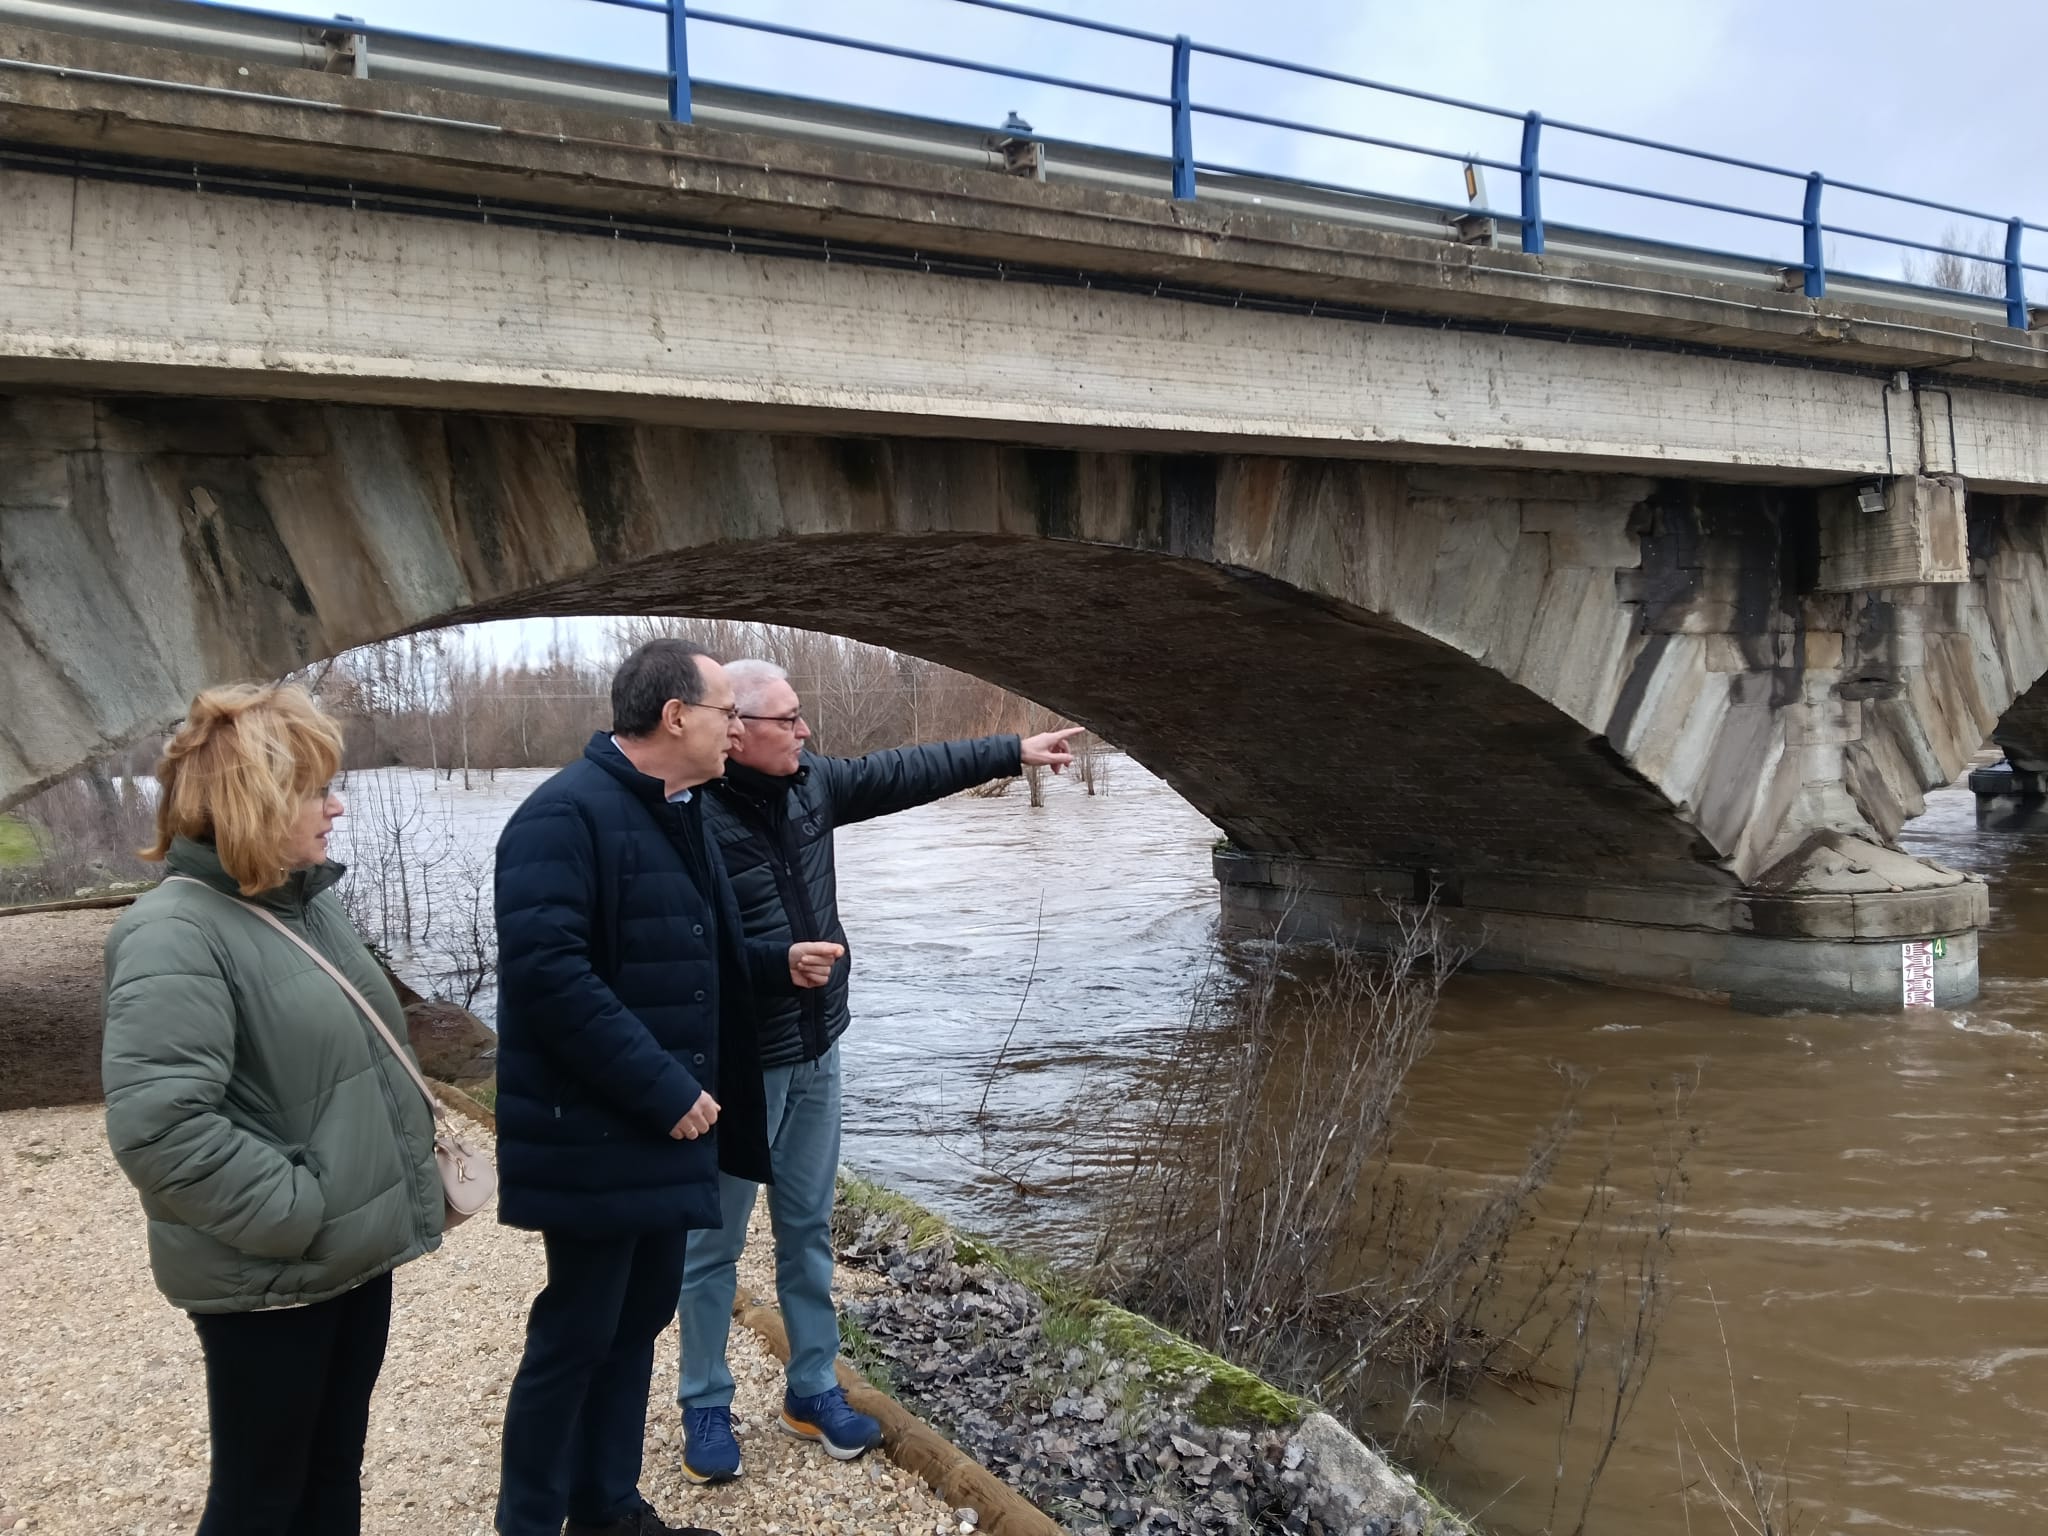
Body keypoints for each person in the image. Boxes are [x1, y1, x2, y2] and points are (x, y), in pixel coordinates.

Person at [674, 658, 1081, 1482]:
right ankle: (705, 1404)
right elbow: (680, 955)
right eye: (787, 720)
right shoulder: (686, 817)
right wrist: (772, 964)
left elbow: (904, 772)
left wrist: (1012, 750)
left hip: (821, 1048)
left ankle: (812, 1388)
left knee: (808, 1230)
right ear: (737, 731)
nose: (806, 730)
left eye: (801, 717)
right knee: (711, 1246)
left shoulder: (810, 785)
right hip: (738, 1069)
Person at [492, 639, 844, 1536]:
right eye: (727, 711)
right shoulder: (561, 818)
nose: (737, 726)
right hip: (596, 1135)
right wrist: (663, 1087)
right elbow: (552, 978)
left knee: (635, 1322)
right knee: (574, 1337)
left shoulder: (674, 809)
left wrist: (772, 963)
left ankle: (609, 1510)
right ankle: (529, 1521)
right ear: (676, 715)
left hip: (661, 1134)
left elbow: (687, 956)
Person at [102, 683, 444, 1536]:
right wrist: (300, 1211)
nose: (336, 806)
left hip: (351, 1261)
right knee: (260, 1500)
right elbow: (161, 1127)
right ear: (251, 801)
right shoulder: (174, 932)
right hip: (278, 1276)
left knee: (331, 1478)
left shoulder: (305, 904)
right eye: (314, 789)